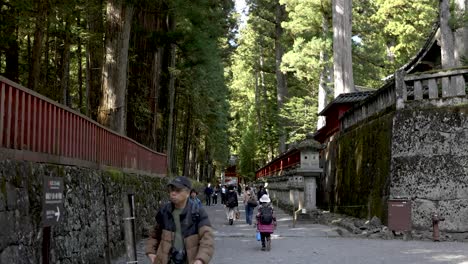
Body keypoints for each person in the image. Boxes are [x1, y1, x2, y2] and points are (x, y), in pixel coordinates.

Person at [146, 176, 214, 264]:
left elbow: (207, 239)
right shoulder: (164, 211)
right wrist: (151, 252)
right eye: (171, 190)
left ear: (188, 193)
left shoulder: (198, 212)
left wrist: (200, 260)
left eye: (178, 190)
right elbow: (154, 235)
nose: (173, 193)